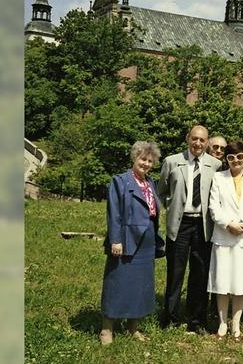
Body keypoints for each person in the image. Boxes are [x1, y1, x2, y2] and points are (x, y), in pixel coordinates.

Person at [158, 125, 222, 333]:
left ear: (207, 142)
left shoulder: (216, 165)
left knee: (200, 273)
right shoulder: (172, 161)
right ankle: (171, 318)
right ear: (188, 139)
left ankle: (197, 321)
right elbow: (162, 191)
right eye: (194, 139)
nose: (198, 143)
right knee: (175, 272)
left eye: (202, 140)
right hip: (180, 224)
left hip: (203, 226)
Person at [99, 141, 165, 345]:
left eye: (150, 161)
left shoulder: (151, 183)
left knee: (140, 287)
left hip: (147, 243)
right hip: (125, 241)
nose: (146, 164)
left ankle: (132, 328)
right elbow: (114, 213)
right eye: (142, 159)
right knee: (116, 285)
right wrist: (116, 240)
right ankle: (106, 329)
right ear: (134, 158)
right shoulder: (120, 181)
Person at [208, 141, 243, 341]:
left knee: (241, 281)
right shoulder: (218, 178)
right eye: (231, 158)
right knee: (222, 281)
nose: (236, 161)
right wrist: (228, 224)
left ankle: (236, 323)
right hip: (224, 235)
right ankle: (223, 323)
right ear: (226, 159)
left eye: (239, 157)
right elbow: (214, 207)